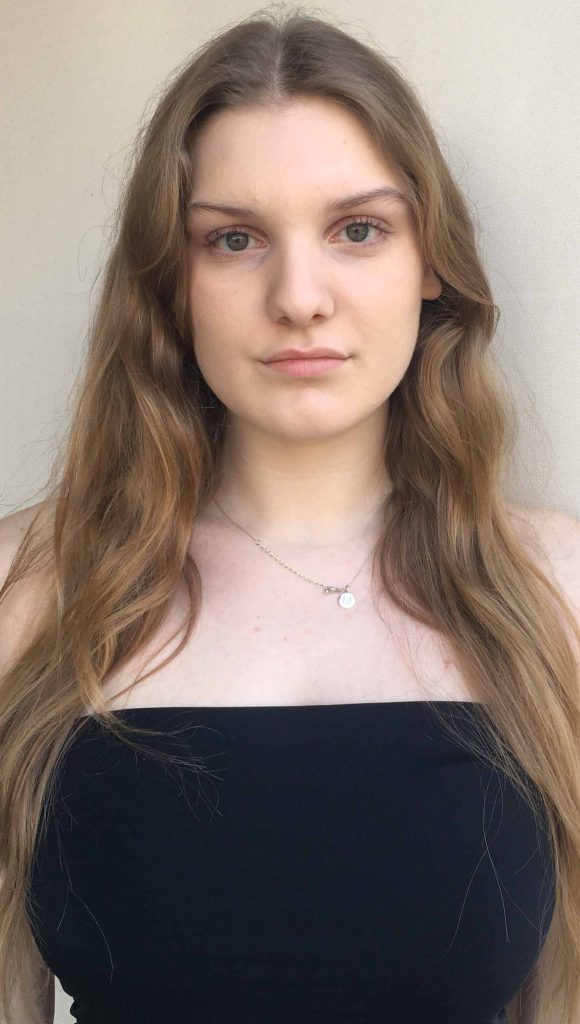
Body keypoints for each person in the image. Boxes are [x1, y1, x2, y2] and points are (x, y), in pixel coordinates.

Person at [1, 8, 579, 1024]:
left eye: (358, 229)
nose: (299, 297)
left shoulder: (557, 591)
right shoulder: (30, 590)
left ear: (430, 259)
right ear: (171, 280)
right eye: (234, 239)